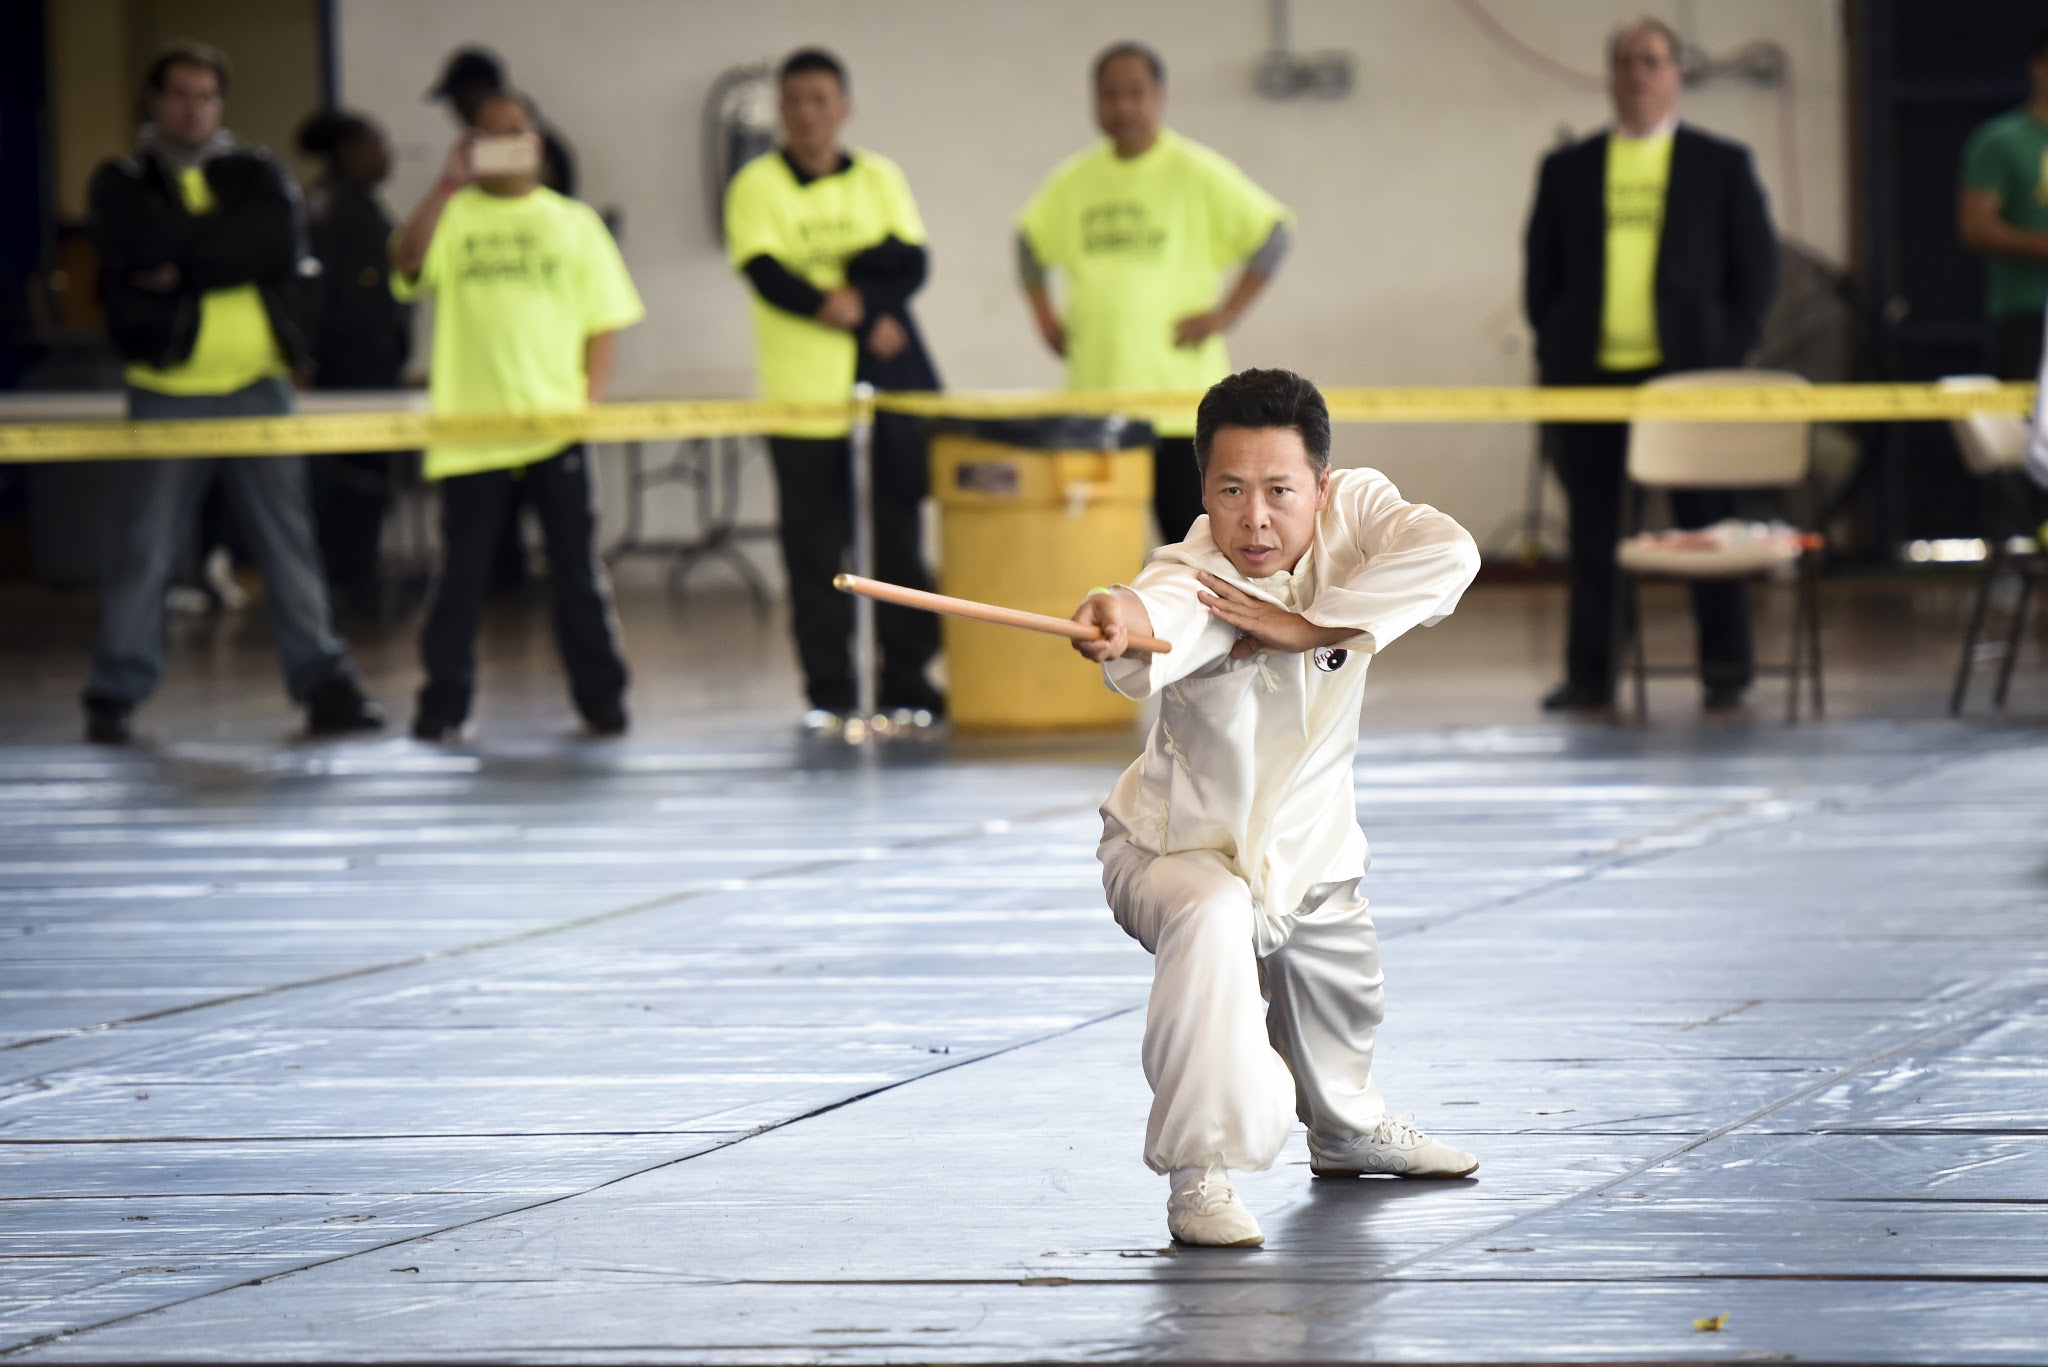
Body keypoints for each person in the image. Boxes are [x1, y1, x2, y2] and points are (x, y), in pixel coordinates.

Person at [1069, 368, 1482, 1247]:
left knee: (1343, 1019)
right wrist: (1118, 613)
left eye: (1277, 490)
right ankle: (1198, 1176)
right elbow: (1160, 613)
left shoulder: (1358, 513)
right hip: (1172, 852)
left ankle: (1343, 1131)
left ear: (1320, 486)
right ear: (1202, 493)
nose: (1254, 518)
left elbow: (1452, 553)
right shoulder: (1197, 575)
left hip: (1309, 856)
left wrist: (1315, 624)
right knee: (1213, 917)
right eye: (1229, 491)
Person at [81, 40, 383, 746]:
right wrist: (211, 250)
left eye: (208, 96)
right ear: (153, 102)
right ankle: (114, 689)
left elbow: (274, 243)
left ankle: (324, 683)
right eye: (180, 94)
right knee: (144, 548)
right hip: (167, 388)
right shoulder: (123, 180)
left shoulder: (255, 171)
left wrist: (181, 262)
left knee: (288, 543)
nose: (195, 109)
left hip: (257, 386)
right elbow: (145, 243)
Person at [1523, 17, 1778, 714]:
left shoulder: (1720, 165)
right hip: (1592, 381)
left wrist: (1725, 355)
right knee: (1597, 531)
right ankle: (1591, 675)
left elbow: (1757, 271)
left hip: (1689, 378)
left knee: (1707, 522)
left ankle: (1726, 669)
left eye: (1653, 61)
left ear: (1675, 75)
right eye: (1628, 62)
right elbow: (1541, 276)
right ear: (1611, 76)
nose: (1639, 73)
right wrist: (1555, 344)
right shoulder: (1569, 169)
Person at [391, 93, 643, 741]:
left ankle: (603, 699)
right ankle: (441, 703)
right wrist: (449, 182)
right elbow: (407, 261)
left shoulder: (573, 223)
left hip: (552, 429)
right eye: (491, 132)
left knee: (575, 574)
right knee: (462, 578)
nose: (507, 140)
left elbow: (604, 321)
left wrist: (588, 402)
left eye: (517, 130)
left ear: (538, 140)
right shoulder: (455, 218)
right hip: (470, 436)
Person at [724, 48, 944, 727]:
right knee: (815, 554)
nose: (807, 114)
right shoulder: (756, 185)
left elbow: (909, 262)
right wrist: (844, 304)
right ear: (782, 112)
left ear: (842, 108)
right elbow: (767, 272)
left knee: (898, 545)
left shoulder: (878, 177)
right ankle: (831, 689)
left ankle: (908, 680)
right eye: (794, 102)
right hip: (801, 402)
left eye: (820, 100)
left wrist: (866, 302)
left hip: (880, 398)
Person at [1018, 42, 1293, 545]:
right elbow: (1028, 244)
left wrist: (1226, 312)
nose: (1123, 106)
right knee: (1095, 550)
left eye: (1135, 93)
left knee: (1195, 550)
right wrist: (1043, 317)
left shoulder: (1196, 172)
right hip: (1095, 405)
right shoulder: (1074, 181)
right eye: (1109, 95)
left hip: (1179, 403)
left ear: (1159, 97)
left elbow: (1274, 234)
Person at [296, 108, 413, 622]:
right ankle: (345, 587)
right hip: (343, 370)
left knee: (371, 482)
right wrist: (304, 359)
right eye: (375, 144)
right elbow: (314, 292)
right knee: (350, 484)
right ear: (347, 152)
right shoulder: (329, 206)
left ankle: (359, 580)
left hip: (373, 366)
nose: (385, 155)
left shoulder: (361, 204)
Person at [1959, 30, 2048, 382]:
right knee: (2024, 426)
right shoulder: (2001, 141)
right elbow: (1977, 227)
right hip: (2026, 310)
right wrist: (2040, 245)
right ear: (2038, 68)